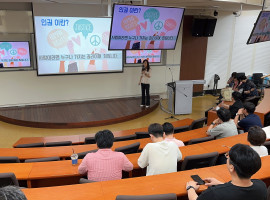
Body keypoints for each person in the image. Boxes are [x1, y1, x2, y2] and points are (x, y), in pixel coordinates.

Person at [186, 143, 267, 200]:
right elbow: (238, 190)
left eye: (228, 157)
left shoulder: (214, 193)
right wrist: (222, 184)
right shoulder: (261, 186)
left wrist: (190, 188)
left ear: (232, 167)